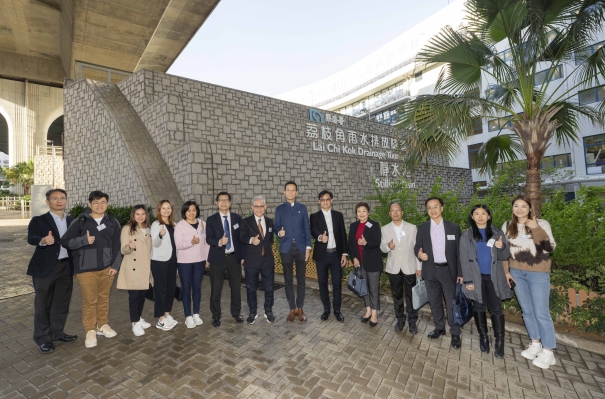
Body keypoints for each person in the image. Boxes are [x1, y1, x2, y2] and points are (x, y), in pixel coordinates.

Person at [61, 190, 121, 349]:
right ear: (90, 204)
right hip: (85, 269)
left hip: (107, 268)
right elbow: (65, 241)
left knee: (104, 298)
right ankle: (90, 330)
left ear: (107, 204)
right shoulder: (81, 221)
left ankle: (102, 324)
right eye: (96, 202)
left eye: (103, 202)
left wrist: (115, 266)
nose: (99, 205)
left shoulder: (113, 222)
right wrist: (83, 240)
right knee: (90, 300)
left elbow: (117, 246)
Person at [502, 195, 557, 369]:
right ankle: (535, 343)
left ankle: (548, 351)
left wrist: (535, 228)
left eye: (523, 206)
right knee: (527, 311)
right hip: (517, 272)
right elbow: (503, 251)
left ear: (530, 208)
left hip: (538, 273)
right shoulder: (507, 226)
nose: (519, 209)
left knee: (541, 312)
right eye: (516, 206)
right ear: (512, 208)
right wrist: (506, 272)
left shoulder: (542, 223)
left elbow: (549, 248)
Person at [27, 188, 77, 353]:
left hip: (66, 267)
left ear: (66, 200)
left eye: (62, 198)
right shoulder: (39, 220)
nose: (59, 201)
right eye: (55, 198)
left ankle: (57, 333)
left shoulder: (72, 221)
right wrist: (43, 240)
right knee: (43, 305)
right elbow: (31, 238)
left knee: (61, 303)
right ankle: (43, 338)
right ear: (48, 201)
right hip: (45, 269)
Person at [460, 204, 511, 358]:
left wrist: (502, 247)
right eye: (476, 213)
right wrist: (468, 281)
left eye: (483, 213)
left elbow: (505, 256)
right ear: (472, 216)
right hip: (476, 278)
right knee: (479, 307)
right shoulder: (466, 234)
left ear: (488, 216)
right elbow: (463, 259)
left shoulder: (497, 233)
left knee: (496, 309)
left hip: (494, 277)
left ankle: (499, 342)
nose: (480, 216)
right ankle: (483, 337)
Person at [414, 197, 463, 349]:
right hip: (430, 271)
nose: (432, 210)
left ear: (442, 208)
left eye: (436, 206)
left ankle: (455, 332)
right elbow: (417, 247)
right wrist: (420, 255)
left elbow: (459, 253)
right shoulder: (422, 228)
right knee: (434, 302)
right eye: (429, 207)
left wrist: (460, 273)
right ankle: (439, 328)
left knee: (451, 303)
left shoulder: (453, 227)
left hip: (449, 271)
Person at [380, 202, 421, 334]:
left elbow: (417, 249)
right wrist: (388, 247)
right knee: (396, 296)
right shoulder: (384, 229)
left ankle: (412, 322)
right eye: (393, 210)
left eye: (398, 210)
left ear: (402, 212)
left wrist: (419, 267)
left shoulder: (412, 228)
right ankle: (400, 320)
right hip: (394, 268)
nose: (396, 213)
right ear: (389, 214)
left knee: (411, 297)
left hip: (410, 267)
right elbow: (382, 247)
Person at [274, 181, 312, 323]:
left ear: (296, 192)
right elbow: (276, 226)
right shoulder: (279, 209)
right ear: (284, 192)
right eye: (288, 190)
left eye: (293, 190)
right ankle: (292, 309)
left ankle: (300, 308)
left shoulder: (302, 208)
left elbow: (307, 229)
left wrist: (308, 247)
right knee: (288, 280)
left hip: (301, 247)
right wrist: (279, 232)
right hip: (286, 248)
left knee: (301, 279)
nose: (290, 192)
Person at [205, 191, 244, 327]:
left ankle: (236, 312)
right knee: (216, 289)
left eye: (226, 200)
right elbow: (208, 239)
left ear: (230, 202)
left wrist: (242, 256)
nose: (224, 202)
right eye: (221, 200)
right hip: (217, 259)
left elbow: (241, 239)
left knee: (236, 288)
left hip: (234, 258)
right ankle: (216, 315)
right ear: (217, 203)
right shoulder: (211, 219)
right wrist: (219, 242)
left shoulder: (237, 218)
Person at [310, 190, 348, 322]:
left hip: (336, 255)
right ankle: (326, 309)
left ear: (331, 200)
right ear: (319, 201)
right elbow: (313, 230)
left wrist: (344, 254)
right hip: (322, 256)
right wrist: (321, 237)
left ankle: (337, 310)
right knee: (322, 283)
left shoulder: (338, 215)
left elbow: (343, 235)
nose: (325, 201)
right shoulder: (314, 216)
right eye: (322, 199)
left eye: (327, 199)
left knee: (337, 284)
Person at [117, 205, 153, 337]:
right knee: (134, 297)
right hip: (133, 268)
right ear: (133, 215)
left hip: (145, 268)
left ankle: (138, 317)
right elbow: (123, 250)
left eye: (143, 214)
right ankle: (135, 323)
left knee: (142, 296)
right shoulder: (127, 229)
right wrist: (129, 246)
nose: (140, 216)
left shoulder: (148, 229)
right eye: (137, 214)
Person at [240, 195, 276, 324]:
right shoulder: (246, 221)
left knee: (269, 287)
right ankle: (252, 312)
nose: (259, 209)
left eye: (261, 206)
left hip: (267, 260)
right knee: (251, 288)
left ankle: (268, 311)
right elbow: (242, 237)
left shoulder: (270, 221)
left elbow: (270, 240)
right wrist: (251, 240)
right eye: (256, 206)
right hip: (251, 260)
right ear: (252, 207)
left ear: (265, 207)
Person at [174, 200, 209, 329]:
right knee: (186, 288)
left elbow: (207, 243)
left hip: (199, 261)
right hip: (185, 263)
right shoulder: (180, 226)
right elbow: (178, 245)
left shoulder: (202, 224)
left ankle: (196, 314)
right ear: (184, 212)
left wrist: (207, 258)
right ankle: (188, 316)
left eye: (194, 210)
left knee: (197, 288)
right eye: (188, 210)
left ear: (197, 211)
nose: (191, 213)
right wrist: (191, 242)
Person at [348, 202, 382, 327]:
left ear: (368, 212)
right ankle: (368, 310)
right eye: (359, 211)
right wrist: (354, 258)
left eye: (364, 211)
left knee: (373, 288)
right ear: (356, 213)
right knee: (364, 288)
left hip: (373, 263)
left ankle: (374, 313)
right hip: (359, 263)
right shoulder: (353, 226)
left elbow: (377, 242)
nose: (361, 213)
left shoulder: (374, 225)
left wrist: (366, 243)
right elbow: (351, 243)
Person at [150, 200, 179, 331]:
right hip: (159, 261)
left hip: (173, 261)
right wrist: (160, 236)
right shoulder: (156, 224)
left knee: (170, 289)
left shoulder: (174, 224)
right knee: (161, 290)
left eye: (168, 208)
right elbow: (155, 243)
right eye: (163, 208)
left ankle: (167, 315)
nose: (166, 210)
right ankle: (160, 319)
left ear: (171, 210)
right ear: (159, 210)